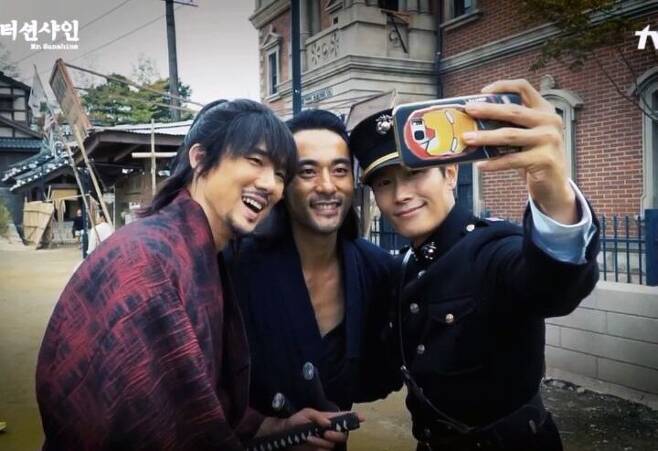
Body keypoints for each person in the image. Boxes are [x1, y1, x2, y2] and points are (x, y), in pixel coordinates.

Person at [36, 100, 347, 451]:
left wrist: (277, 428)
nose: (270, 185)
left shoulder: (201, 253)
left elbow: (195, 400)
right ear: (199, 158)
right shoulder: (147, 263)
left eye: (280, 174)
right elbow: (149, 426)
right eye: (255, 161)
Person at [350, 79, 600, 451]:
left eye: (415, 173)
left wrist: (555, 197)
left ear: (450, 174)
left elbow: (552, 288)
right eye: (384, 183)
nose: (400, 195)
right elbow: (383, 373)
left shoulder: (491, 248)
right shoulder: (403, 269)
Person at [226, 110, 399, 423]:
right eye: (307, 171)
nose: (327, 186)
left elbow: (383, 375)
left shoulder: (379, 271)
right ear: (282, 184)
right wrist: (265, 429)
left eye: (340, 170)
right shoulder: (233, 268)